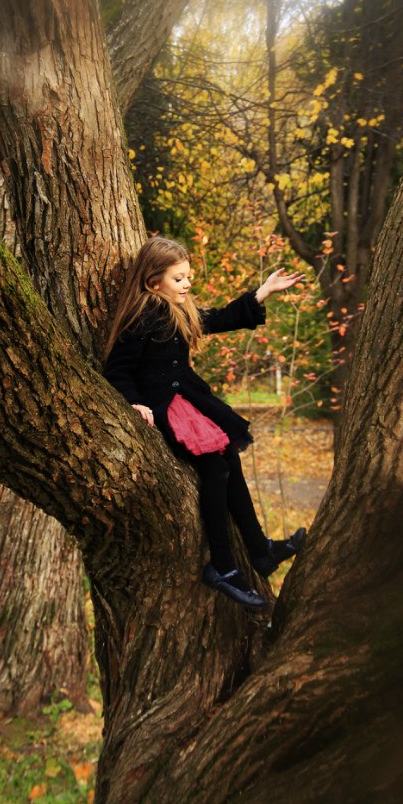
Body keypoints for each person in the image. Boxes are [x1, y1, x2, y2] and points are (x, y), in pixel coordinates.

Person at [103, 236, 307, 610]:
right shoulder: (142, 318)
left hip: (188, 401)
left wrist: (261, 292)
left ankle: (260, 550)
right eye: (179, 279)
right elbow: (118, 368)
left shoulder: (179, 309)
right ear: (154, 283)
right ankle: (224, 567)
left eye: (188, 277)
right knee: (215, 468)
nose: (187, 284)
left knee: (229, 457)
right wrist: (133, 402)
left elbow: (220, 318)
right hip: (166, 407)